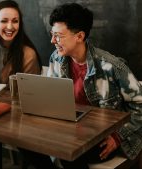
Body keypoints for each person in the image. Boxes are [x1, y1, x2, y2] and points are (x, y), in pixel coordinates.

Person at [47, 3, 142, 169]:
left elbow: (140, 106)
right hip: (70, 132)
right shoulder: (56, 59)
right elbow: (51, 99)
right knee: (28, 144)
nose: (52, 40)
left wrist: (118, 137)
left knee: (70, 153)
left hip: (103, 138)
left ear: (80, 36)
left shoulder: (111, 66)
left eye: (58, 36)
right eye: (52, 34)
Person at [0, 1, 54, 169]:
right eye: (4, 21)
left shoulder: (28, 54)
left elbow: (29, 98)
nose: (10, 26)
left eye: (15, 21)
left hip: (16, 118)